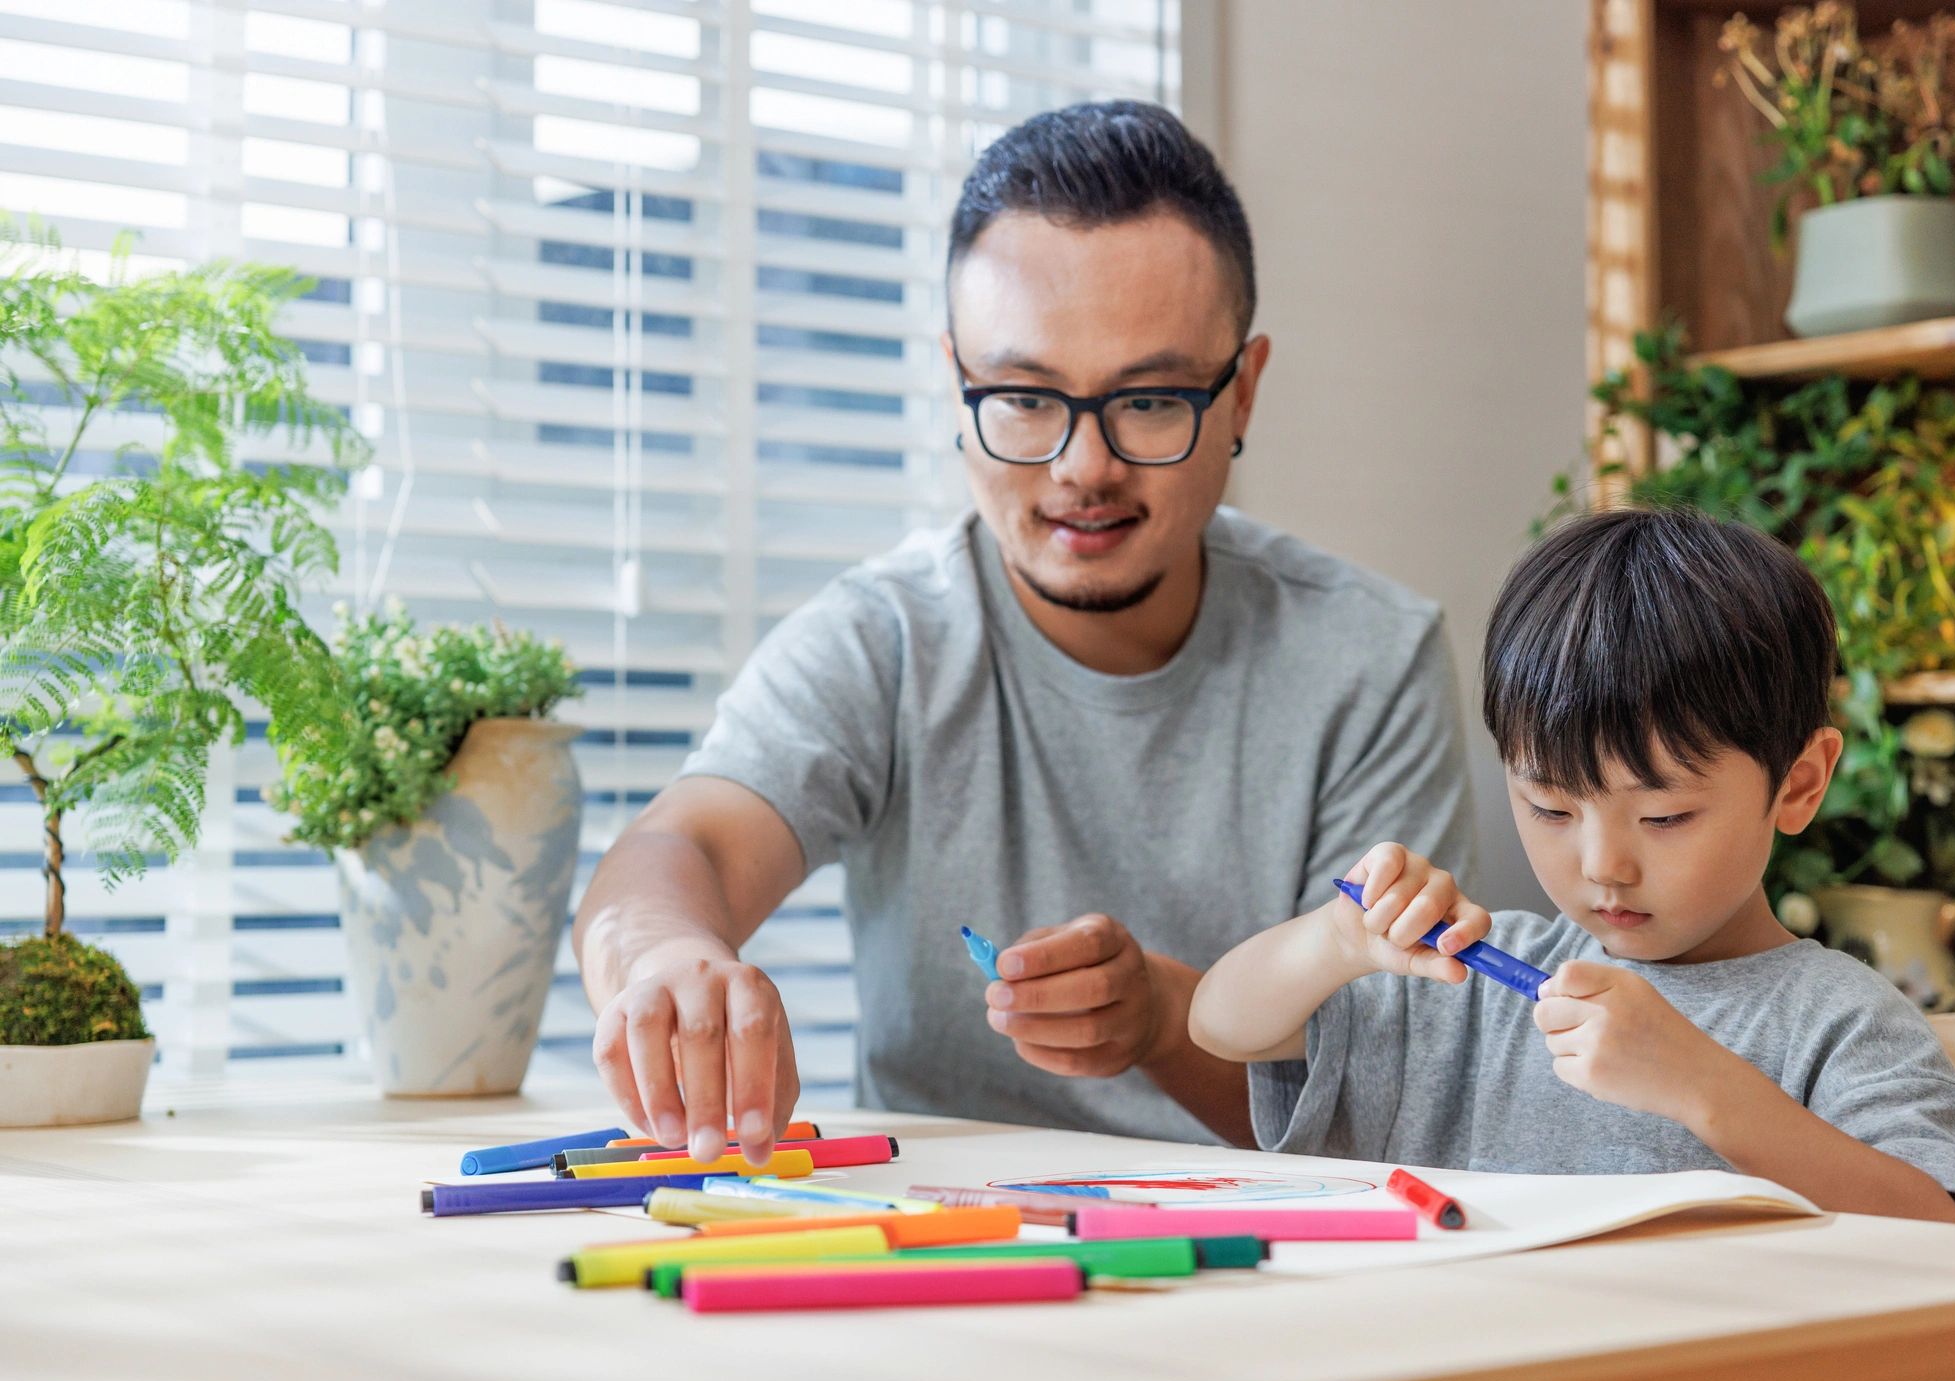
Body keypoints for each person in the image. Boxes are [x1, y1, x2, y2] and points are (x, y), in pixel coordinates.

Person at [571, 100, 1476, 1163]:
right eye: (1024, 397)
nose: (1081, 467)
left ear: (1241, 393)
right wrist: (665, 959)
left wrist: (1156, 1020)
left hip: (1275, 1258)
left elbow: (1386, 1102)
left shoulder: (1368, 659)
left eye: (1147, 401)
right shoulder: (888, 638)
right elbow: (678, 850)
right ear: (958, 383)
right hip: (928, 1248)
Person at [1190, 508, 1955, 1225]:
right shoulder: (1474, 981)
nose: (1602, 864)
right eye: (1549, 808)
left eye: (1664, 816)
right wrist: (1340, 941)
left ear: (1798, 784)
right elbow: (1219, 1025)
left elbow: (1949, 1236)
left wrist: (1704, 1089)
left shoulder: (1837, 1019)